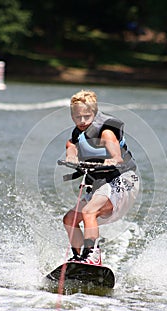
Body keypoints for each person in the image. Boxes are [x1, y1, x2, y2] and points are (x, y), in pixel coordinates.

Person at [63, 90, 139, 265]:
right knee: (70, 219)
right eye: (77, 117)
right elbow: (71, 145)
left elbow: (117, 157)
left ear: (95, 113)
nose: (82, 121)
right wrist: (71, 156)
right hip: (100, 184)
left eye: (86, 116)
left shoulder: (106, 133)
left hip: (122, 179)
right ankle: (78, 258)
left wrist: (111, 159)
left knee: (89, 212)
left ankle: (92, 255)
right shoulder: (77, 134)